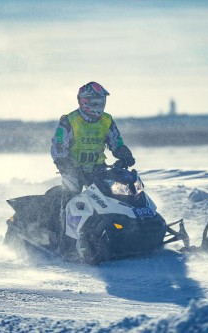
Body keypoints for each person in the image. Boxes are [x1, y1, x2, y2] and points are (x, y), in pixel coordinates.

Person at [50, 81, 135, 256]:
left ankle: (125, 230)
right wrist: (67, 165)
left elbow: (116, 141)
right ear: (84, 102)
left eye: (101, 102)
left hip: (98, 168)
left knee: (117, 195)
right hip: (73, 170)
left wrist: (124, 153)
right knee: (71, 199)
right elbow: (58, 147)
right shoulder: (69, 121)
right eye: (95, 103)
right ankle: (64, 244)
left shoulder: (106, 120)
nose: (99, 106)